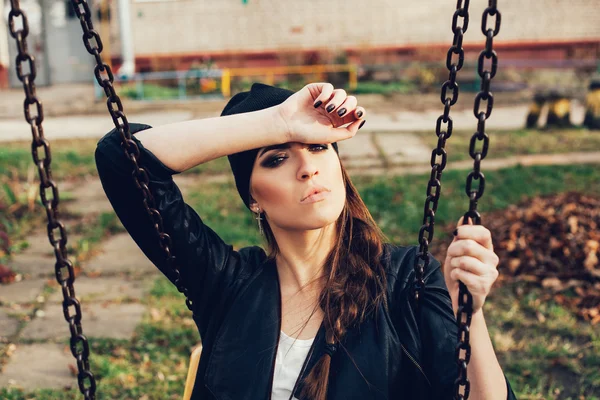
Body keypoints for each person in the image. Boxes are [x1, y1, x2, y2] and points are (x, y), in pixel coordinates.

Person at [95, 82, 517, 400]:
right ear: (254, 199)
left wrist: (471, 315)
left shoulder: (408, 279)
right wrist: (276, 122)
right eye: (276, 158)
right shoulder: (226, 285)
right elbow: (121, 157)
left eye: (318, 147)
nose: (307, 168)